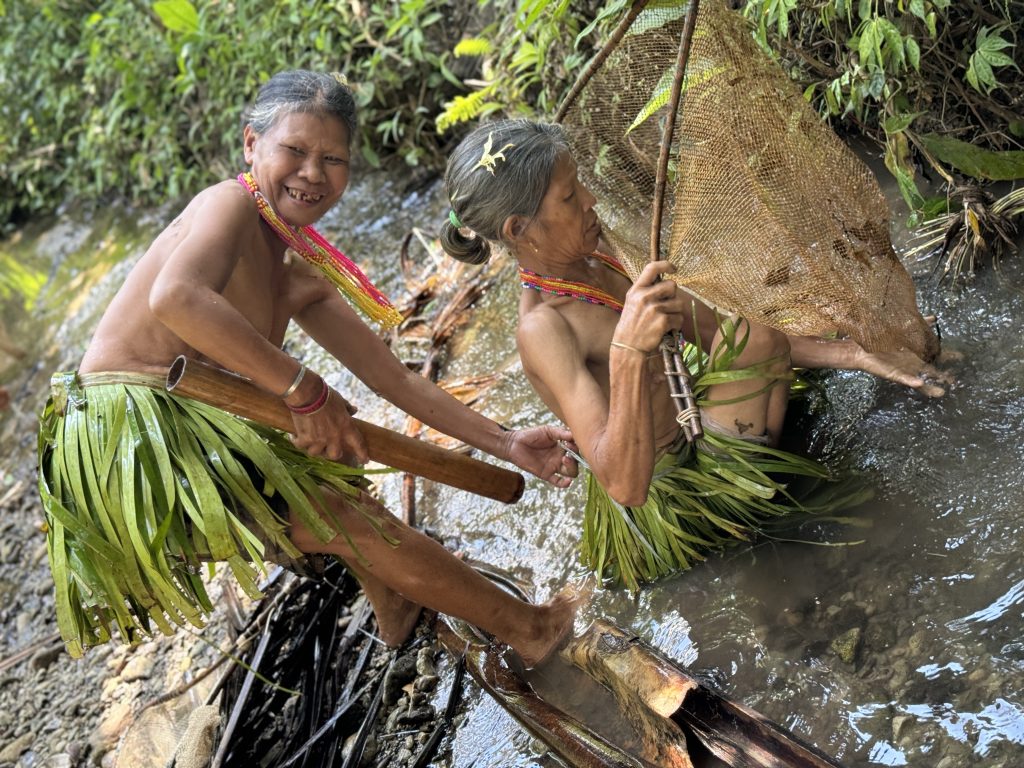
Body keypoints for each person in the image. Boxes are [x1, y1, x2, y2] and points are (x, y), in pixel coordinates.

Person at [37, 73, 583, 665]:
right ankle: (531, 629)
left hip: (186, 430)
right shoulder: (229, 204)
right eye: (294, 151)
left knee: (335, 448)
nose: (313, 174)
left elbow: (394, 380)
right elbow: (176, 298)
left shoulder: (299, 269)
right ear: (252, 144)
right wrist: (302, 388)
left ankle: (395, 605)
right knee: (338, 507)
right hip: (126, 442)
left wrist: (505, 444)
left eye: (333, 159)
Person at [440, 118, 953, 590]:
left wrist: (859, 352)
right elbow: (623, 484)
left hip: (692, 424)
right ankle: (771, 539)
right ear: (517, 230)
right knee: (767, 355)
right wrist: (627, 352)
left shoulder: (595, 253)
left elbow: (718, 332)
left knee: (758, 335)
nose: (592, 200)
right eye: (571, 196)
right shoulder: (544, 328)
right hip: (668, 493)